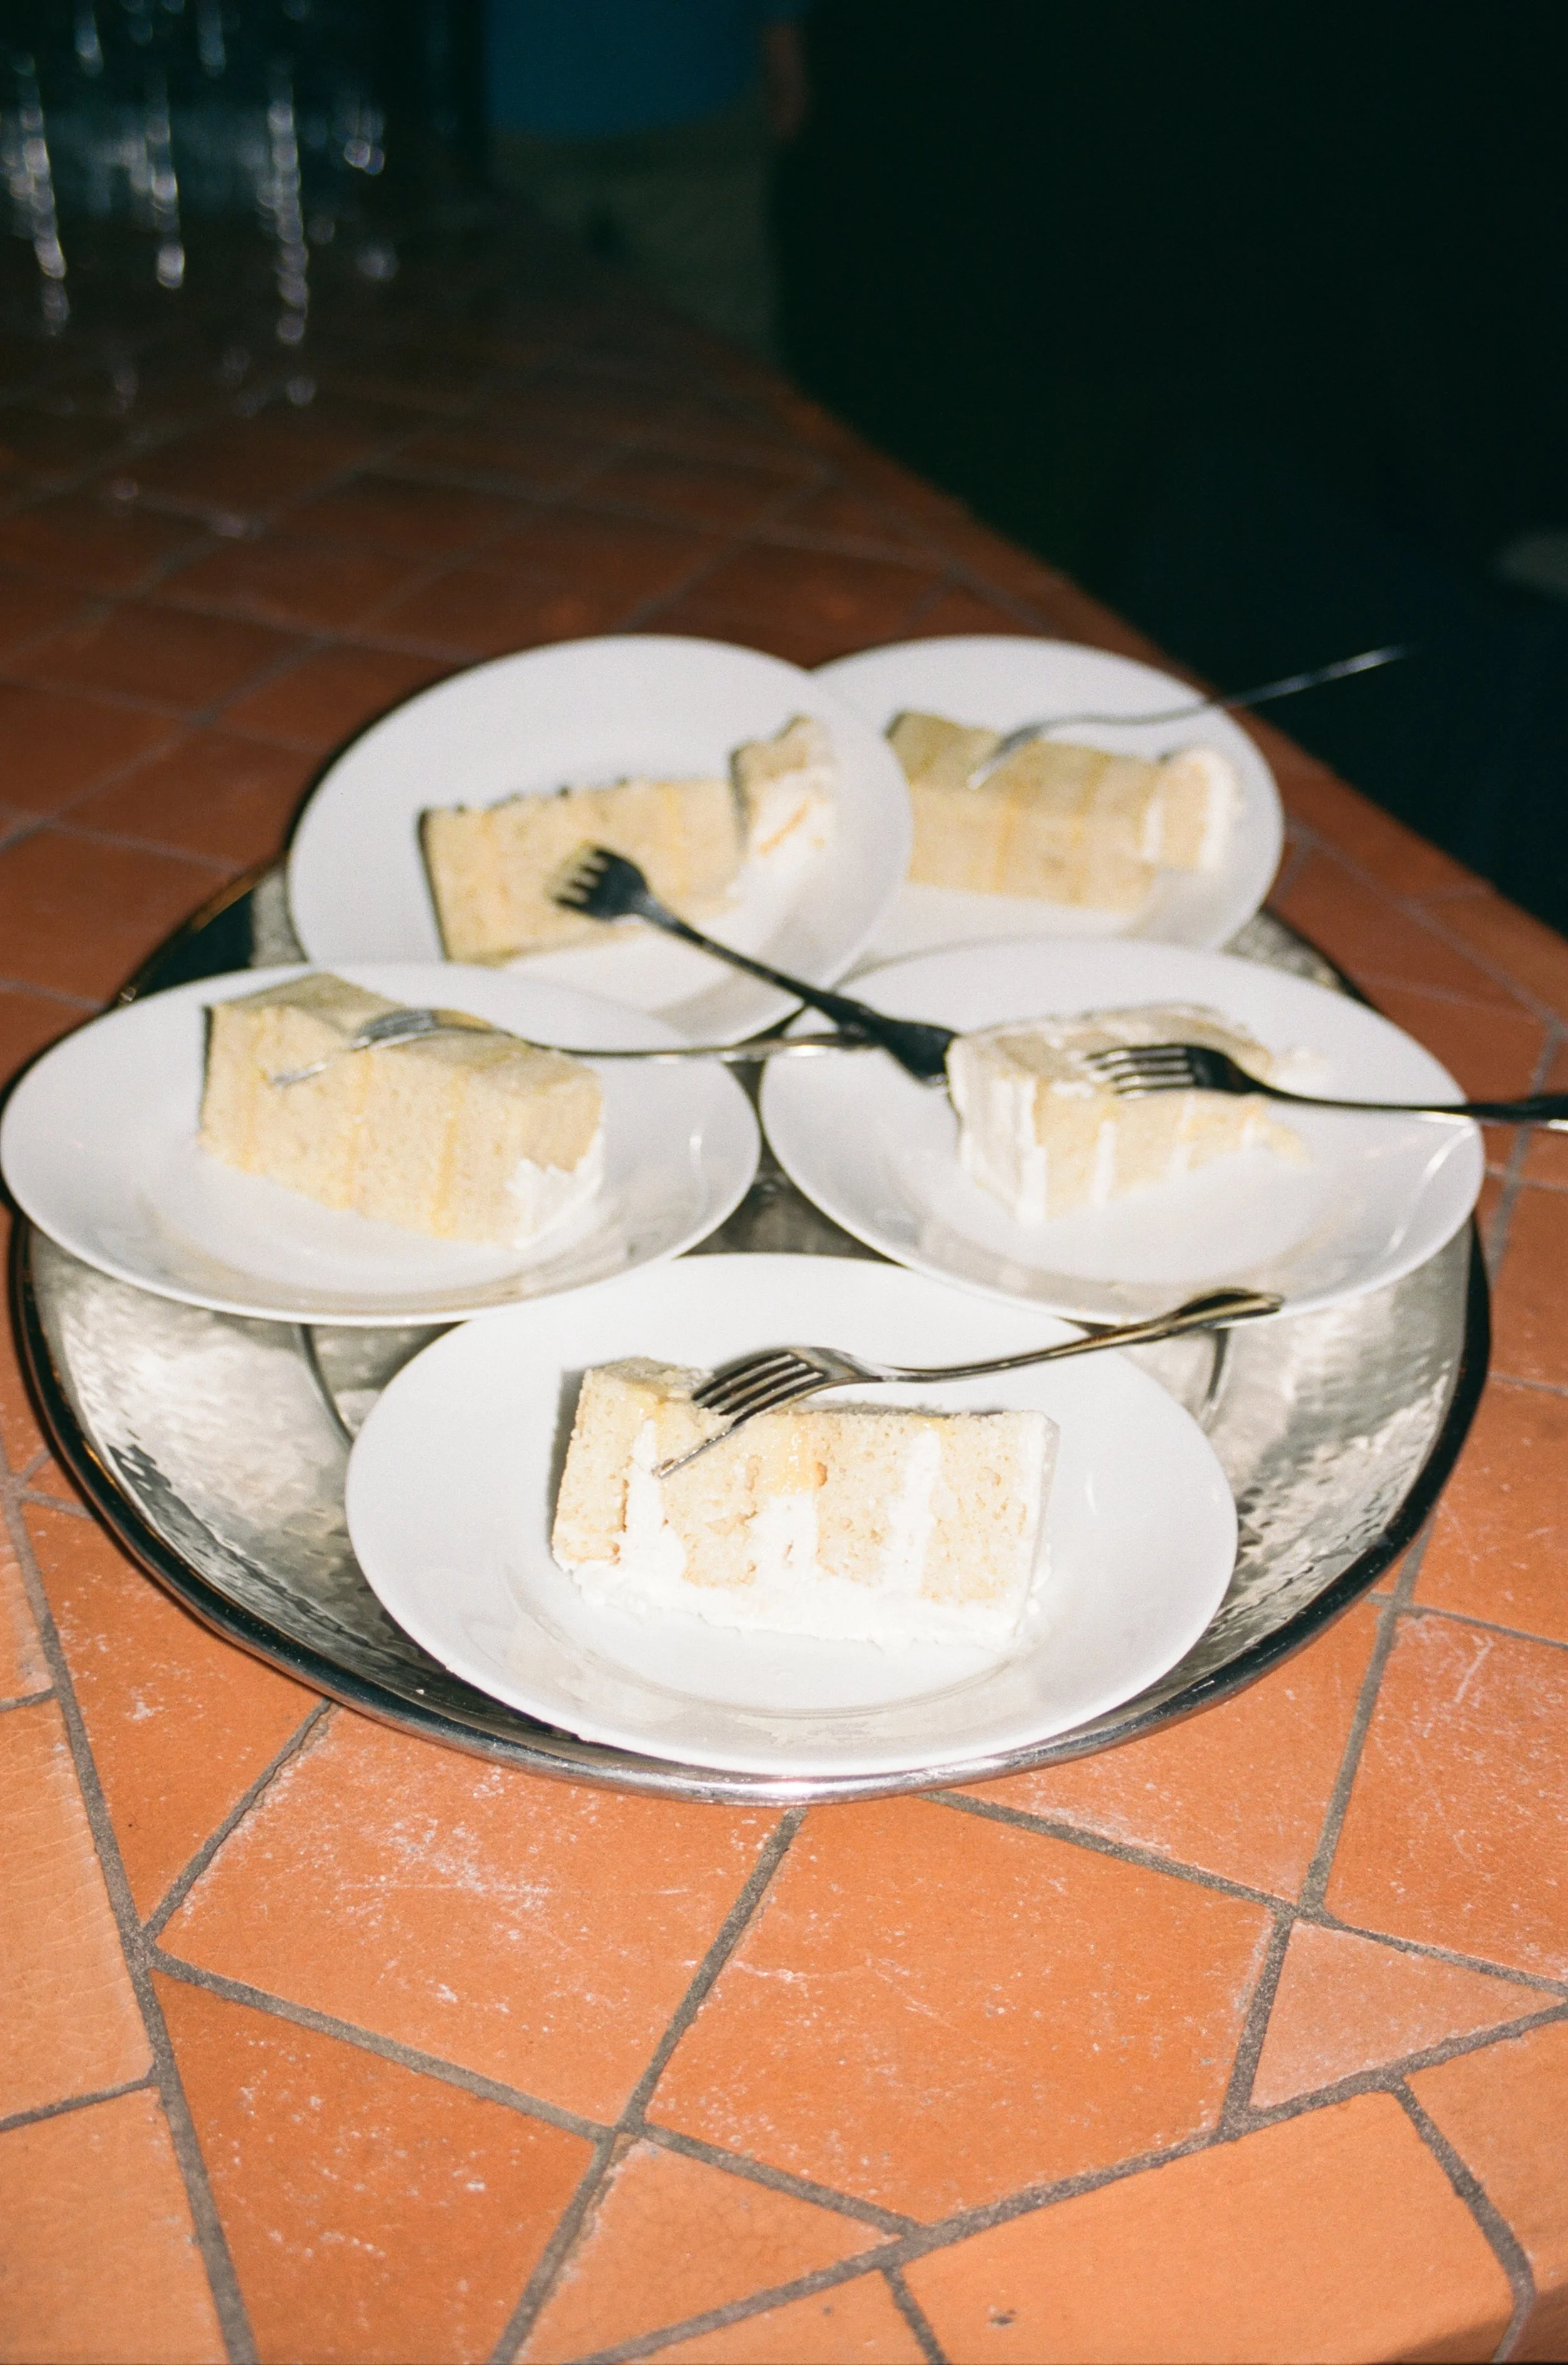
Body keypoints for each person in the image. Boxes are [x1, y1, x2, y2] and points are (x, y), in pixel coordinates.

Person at [485, 1, 811, 355]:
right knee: (722, 339)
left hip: (520, 81)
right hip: (695, 77)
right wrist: (783, 33)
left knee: (518, 339)